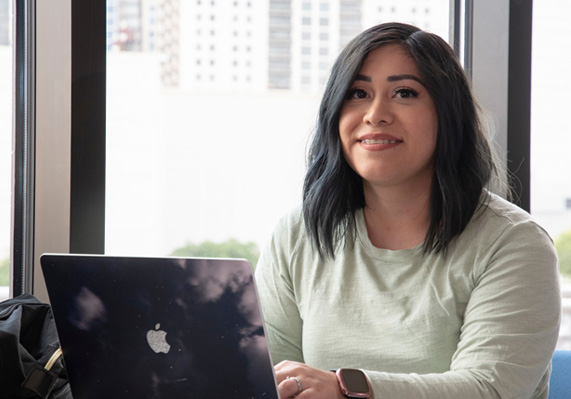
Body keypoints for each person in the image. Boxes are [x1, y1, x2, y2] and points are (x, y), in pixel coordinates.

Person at [254, 22, 561, 399]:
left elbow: (490, 390)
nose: (375, 114)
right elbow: (264, 380)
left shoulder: (514, 243)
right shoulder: (297, 234)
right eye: (357, 93)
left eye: (404, 92)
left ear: (448, 114)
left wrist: (345, 389)